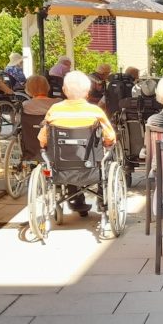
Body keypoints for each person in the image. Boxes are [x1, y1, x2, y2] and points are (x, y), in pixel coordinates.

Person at [38, 71, 117, 216]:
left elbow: (43, 138)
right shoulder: (95, 111)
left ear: (64, 91)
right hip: (91, 167)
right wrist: (107, 144)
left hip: (61, 168)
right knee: (106, 157)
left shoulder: (54, 110)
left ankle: (76, 199)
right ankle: (102, 200)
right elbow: (110, 137)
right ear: (88, 92)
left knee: (67, 155)